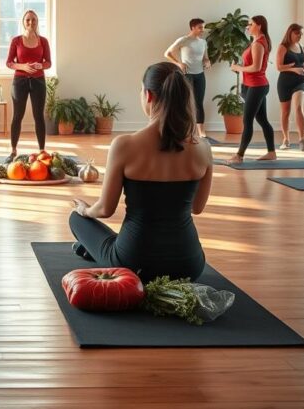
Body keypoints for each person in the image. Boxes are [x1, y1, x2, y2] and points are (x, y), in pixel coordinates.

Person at [70, 61, 211, 282]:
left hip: (133, 265)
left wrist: (85, 211)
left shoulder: (124, 145)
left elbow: (105, 209)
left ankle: (93, 249)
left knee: (77, 220)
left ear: (148, 95)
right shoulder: (203, 148)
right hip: (189, 265)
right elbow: (197, 207)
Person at [228, 15, 276, 164]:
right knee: (262, 119)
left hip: (257, 85)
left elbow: (256, 67)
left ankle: (239, 156)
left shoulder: (259, 43)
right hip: (253, 85)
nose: (248, 27)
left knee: (247, 120)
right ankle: (271, 152)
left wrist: (237, 67)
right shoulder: (256, 41)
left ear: (259, 25)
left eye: (250, 24)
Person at [6, 10, 52, 159]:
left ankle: (41, 151)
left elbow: (48, 63)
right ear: (23, 22)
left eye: (33, 20)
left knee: (38, 116)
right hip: (19, 82)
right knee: (17, 116)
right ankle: (13, 150)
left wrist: (41, 66)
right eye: (28, 20)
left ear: (37, 22)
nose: (31, 22)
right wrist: (23, 67)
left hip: (38, 81)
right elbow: (9, 63)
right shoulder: (16, 41)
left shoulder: (43, 41)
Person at [165, 18, 212, 138]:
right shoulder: (183, 40)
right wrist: (179, 63)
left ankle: (201, 131)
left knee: (198, 103)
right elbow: (167, 53)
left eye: (203, 27)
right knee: (185, 102)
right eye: (200, 27)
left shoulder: (203, 42)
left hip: (200, 75)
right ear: (192, 28)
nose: (203, 30)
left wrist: (207, 62)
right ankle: (184, 129)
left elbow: (205, 58)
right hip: (187, 75)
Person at [275, 23, 304, 150]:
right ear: (290, 33)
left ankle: (302, 140)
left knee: (299, 107)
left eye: (301, 34)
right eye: (297, 33)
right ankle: (286, 139)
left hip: (300, 82)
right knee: (285, 112)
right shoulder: (283, 47)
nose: (300, 36)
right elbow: (279, 67)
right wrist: (293, 69)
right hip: (285, 82)